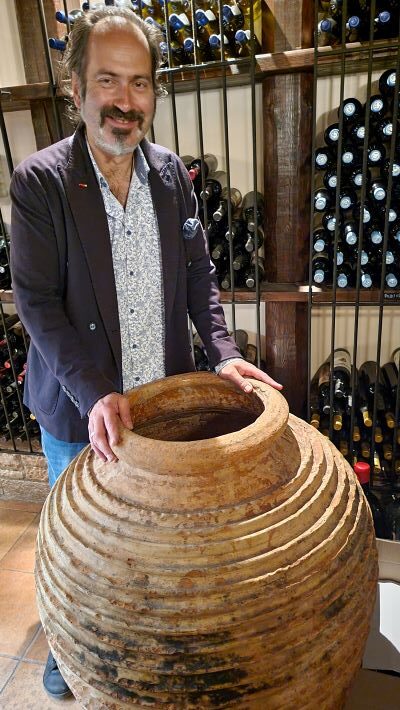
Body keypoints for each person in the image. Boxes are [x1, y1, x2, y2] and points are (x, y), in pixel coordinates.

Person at [10, 6, 282, 700]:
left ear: (153, 94)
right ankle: (69, 649)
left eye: (139, 84)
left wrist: (221, 353)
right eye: (108, 80)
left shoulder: (170, 176)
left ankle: (138, 644)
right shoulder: (40, 182)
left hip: (159, 409)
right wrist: (95, 389)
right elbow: (37, 303)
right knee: (81, 549)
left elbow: (197, 277)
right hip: (83, 413)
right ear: (76, 88)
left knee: (151, 549)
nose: (124, 101)